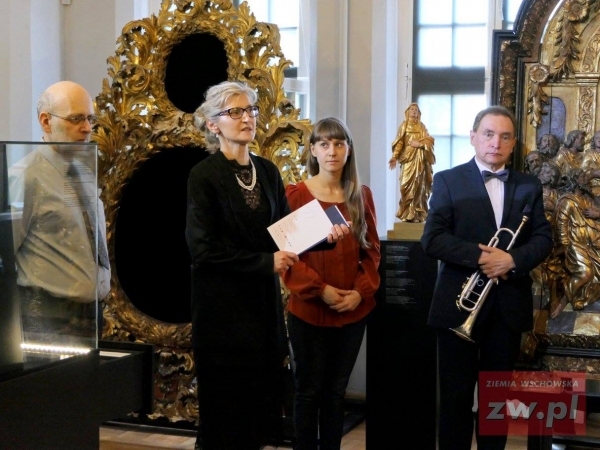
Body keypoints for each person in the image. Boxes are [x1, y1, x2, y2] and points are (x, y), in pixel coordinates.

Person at [185, 81, 347, 450]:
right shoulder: (204, 175)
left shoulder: (268, 171)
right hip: (221, 311)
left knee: (261, 402)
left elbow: (285, 235)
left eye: (251, 110)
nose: (247, 118)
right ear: (213, 124)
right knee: (226, 408)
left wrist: (325, 234)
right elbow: (202, 249)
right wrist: (265, 261)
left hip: (262, 308)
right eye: (235, 112)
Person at [421, 106, 553, 450]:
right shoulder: (448, 180)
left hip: (506, 309)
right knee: (455, 399)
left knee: (496, 404)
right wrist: (481, 256)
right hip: (457, 307)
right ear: (473, 137)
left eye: (505, 136)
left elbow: (543, 239)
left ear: (512, 144)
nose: (496, 142)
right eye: (489, 134)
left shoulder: (528, 185)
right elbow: (432, 238)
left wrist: (511, 259)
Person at [282, 117, 381, 450]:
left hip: (351, 312)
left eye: (339, 143)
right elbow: (288, 258)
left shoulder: (360, 196)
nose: (332, 151)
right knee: (308, 391)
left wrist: (358, 293)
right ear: (313, 150)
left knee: (336, 392)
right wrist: (320, 289)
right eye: (324, 144)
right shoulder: (295, 195)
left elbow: (372, 254)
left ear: (348, 150)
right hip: (308, 310)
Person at [8, 80, 111, 345]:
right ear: (45, 122)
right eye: (76, 119)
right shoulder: (27, 176)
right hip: (48, 319)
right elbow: (5, 256)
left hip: (92, 314)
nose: (87, 128)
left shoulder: (85, 173)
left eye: (90, 118)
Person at [388, 103, 435, 222]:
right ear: (408, 112)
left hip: (419, 160)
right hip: (407, 160)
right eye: (412, 109)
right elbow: (399, 143)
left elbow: (429, 140)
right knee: (405, 186)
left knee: (419, 186)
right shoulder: (404, 126)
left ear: (418, 113)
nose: (414, 111)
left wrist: (419, 144)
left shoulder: (421, 126)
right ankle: (406, 212)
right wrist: (394, 157)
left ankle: (417, 213)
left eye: (416, 110)